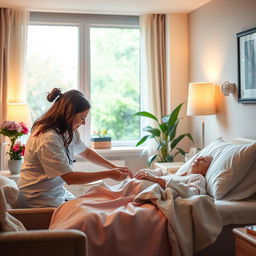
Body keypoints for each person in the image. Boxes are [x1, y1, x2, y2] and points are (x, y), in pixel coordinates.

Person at [17, 88, 133, 208]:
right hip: (38, 199)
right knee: (88, 214)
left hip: (56, 193)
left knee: (90, 207)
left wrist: (114, 167)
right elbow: (70, 178)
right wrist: (109, 174)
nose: (84, 123)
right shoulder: (48, 138)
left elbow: (86, 153)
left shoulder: (66, 131)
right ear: (69, 113)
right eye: (82, 117)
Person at [134, 156, 213, 194]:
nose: (199, 159)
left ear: (206, 171)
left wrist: (157, 179)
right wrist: (145, 172)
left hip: (141, 191)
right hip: (136, 186)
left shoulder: (198, 178)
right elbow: (161, 173)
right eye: (200, 157)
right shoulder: (179, 174)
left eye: (204, 160)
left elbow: (192, 193)